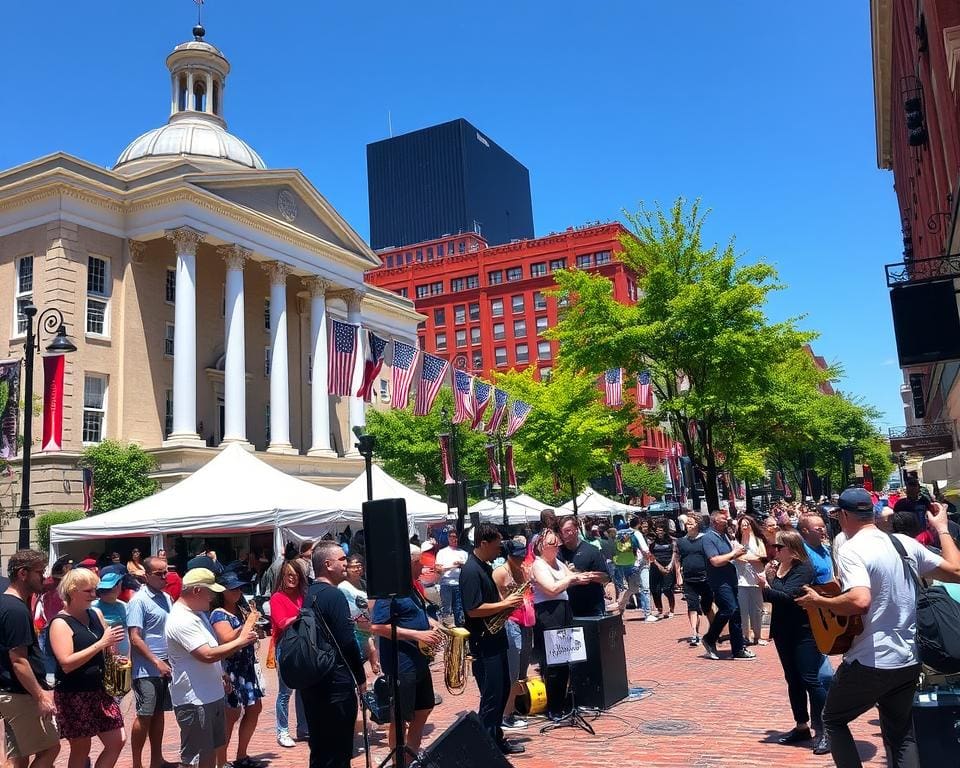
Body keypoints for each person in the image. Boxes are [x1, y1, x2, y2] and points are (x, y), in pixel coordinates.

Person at [796, 488, 960, 768]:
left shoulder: (851, 548)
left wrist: (821, 601)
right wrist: (942, 528)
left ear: (844, 515)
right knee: (902, 735)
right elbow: (956, 571)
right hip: (907, 659)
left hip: (870, 660)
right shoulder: (902, 543)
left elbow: (860, 600)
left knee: (833, 719)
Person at [165, 568, 257, 768]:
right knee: (196, 759)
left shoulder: (198, 614)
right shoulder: (181, 619)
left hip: (210, 695)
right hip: (195, 700)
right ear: (197, 590)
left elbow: (212, 650)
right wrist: (240, 641)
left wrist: (221, 673)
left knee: (210, 756)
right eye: (210, 591)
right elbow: (206, 654)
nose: (213, 596)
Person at [756, 530, 830, 755]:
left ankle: (824, 729)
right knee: (792, 679)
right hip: (783, 630)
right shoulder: (777, 568)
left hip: (804, 631)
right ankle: (801, 726)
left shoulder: (803, 569)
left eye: (778, 547)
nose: (774, 551)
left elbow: (789, 598)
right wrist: (770, 581)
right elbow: (780, 596)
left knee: (810, 679)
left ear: (792, 550)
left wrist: (766, 586)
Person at [49, 567, 127, 768]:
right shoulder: (60, 623)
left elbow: (106, 646)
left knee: (117, 740)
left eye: (95, 590)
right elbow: (66, 663)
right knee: (81, 749)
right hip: (74, 693)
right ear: (72, 591)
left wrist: (113, 653)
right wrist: (101, 644)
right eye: (89, 591)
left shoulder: (95, 614)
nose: (94, 595)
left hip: (100, 690)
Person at [460, 524, 525, 755]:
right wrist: (505, 604)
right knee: (491, 695)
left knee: (502, 690)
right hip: (483, 643)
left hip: (496, 638)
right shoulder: (470, 571)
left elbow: (491, 602)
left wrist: (508, 598)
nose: (499, 550)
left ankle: (496, 739)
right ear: (483, 543)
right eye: (496, 546)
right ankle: (486, 748)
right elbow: (473, 609)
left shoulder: (485, 567)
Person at [370, 545, 442, 754]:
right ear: (407, 563)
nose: (422, 565)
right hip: (402, 663)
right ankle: (398, 760)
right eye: (418, 562)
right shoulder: (389, 590)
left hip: (418, 659)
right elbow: (378, 626)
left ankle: (411, 753)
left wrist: (430, 622)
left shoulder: (411, 587)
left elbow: (412, 615)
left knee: (425, 707)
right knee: (401, 717)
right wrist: (417, 634)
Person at [302, 541, 367, 768]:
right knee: (338, 754)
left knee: (320, 751)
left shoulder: (309, 594)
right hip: (336, 685)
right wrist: (360, 678)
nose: (346, 564)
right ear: (327, 565)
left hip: (313, 684)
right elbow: (348, 641)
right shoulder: (334, 595)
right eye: (341, 560)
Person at [0, 550, 60, 768]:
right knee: (51, 748)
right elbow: (19, 661)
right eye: (39, 572)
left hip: (12, 692)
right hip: (19, 694)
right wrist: (41, 696)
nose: (43, 577)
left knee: (18, 757)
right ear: (23, 573)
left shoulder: (8, 604)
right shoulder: (15, 610)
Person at [530, 529, 596, 721]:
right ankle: (553, 706)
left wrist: (582, 577)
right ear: (541, 547)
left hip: (564, 609)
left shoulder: (558, 563)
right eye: (552, 544)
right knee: (553, 662)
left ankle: (564, 699)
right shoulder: (539, 565)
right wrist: (570, 578)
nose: (556, 547)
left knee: (566, 659)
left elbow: (571, 577)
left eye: (557, 543)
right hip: (548, 613)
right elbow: (551, 588)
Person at [210, 571, 264, 768]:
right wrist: (246, 625)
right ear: (222, 591)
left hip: (247, 667)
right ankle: (221, 761)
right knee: (231, 714)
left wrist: (253, 628)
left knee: (255, 708)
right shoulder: (218, 613)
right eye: (233, 588)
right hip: (231, 668)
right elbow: (225, 639)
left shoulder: (240, 609)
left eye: (239, 588)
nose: (237, 591)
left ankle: (242, 755)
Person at [127, 556, 176, 768]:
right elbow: (135, 637)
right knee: (145, 715)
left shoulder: (166, 598)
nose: (165, 577)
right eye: (159, 574)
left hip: (166, 665)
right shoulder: (138, 600)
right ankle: (137, 764)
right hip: (146, 669)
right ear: (146, 576)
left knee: (159, 714)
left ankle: (157, 759)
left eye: (166, 572)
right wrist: (156, 661)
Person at [700, 509, 754, 661]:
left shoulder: (724, 536)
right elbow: (715, 561)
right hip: (719, 581)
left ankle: (738, 649)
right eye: (724, 519)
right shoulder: (708, 538)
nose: (728, 521)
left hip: (731, 578)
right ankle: (710, 638)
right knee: (730, 608)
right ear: (715, 521)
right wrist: (734, 554)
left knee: (735, 613)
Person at [493, 538, 535, 730]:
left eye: (521, 557)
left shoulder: (522, 569)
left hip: (526, 620)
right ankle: (505, 715)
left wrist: (527, 578)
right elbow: (497, 601)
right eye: (516, 557)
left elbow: (529, 592)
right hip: (511, 622)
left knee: (521, 671)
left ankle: (512, 710)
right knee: (512, 671)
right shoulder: (500, 573)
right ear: (508, 555)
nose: (519, 560)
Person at [269, 558, 310, 747]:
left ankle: (303, 728)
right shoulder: (277, 598)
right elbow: (281, 623)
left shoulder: (303, 595)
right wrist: (299, 616)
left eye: (296, 576)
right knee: (285, 692)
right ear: (283, 577)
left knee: (304, 689)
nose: (292, 579)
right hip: (285, 648)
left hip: (303, 646)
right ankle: (282, 731)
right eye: (289, 575)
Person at [555, 516, 608, 617]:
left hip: (592, 608)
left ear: (576, 530)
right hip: (567, 609)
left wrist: (582, 574)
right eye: (561, 532)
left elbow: (605, 578)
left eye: (567, 531)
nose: (564, 535)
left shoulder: (592, 550)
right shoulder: (557, 553)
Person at [676, 515, 714, 646]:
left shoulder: (705, 539)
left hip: (705, 578)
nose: (688, 526)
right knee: (692, 606)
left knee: (707, 606)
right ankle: (694, 633)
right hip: (688, 579)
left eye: (691, 523)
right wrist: (678, 575)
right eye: (687, 524)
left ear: (698, 524)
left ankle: (714, 631)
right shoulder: (681, 541)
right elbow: (677, 559)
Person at [339, 555, 379, 676]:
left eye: (360, 566)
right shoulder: (343, 587)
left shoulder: (364, 583)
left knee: (372, 656)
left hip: (369, 626)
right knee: (359, 661)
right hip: (356, 628)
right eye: (354, 567)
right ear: (347, 569)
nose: (358, 569)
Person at [735, 515, 768, 646]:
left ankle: (758, 636)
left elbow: (762, 557)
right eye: (742, 525)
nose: (745, 527)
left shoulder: (758, 541)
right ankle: (745, 636)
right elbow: (735, 557)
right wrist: (748, 557)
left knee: (757, 609)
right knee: (743, 610)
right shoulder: (736, 541)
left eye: (747, 524)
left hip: (756, 579)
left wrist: (745, 557)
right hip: (741, 580)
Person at [435, 528, 468, 626]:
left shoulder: (463, 553)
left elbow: (467, 568)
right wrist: (454, 566)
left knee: (459, 609)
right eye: (452, 537)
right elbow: (438, 570)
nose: (454, 539)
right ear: (448, 538)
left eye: (456, 537)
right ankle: (447, 629)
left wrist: (462, 565)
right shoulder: (442, 552)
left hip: (459, 584)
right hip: (446, 584)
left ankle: (459, 628)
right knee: (447, 609)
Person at [648, 520, 677, 619]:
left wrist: (670, 565)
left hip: (668, 565)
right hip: (656, 567)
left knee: (667, 589)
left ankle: (672, 609)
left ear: (665, 531)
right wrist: (658, 566)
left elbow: (674, 553)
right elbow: (651, 556)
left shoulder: (672, 541)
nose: (659, 532)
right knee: (655, 589)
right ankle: (659, 609)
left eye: (661, 530)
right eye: (657, 530)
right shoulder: (652, 543)